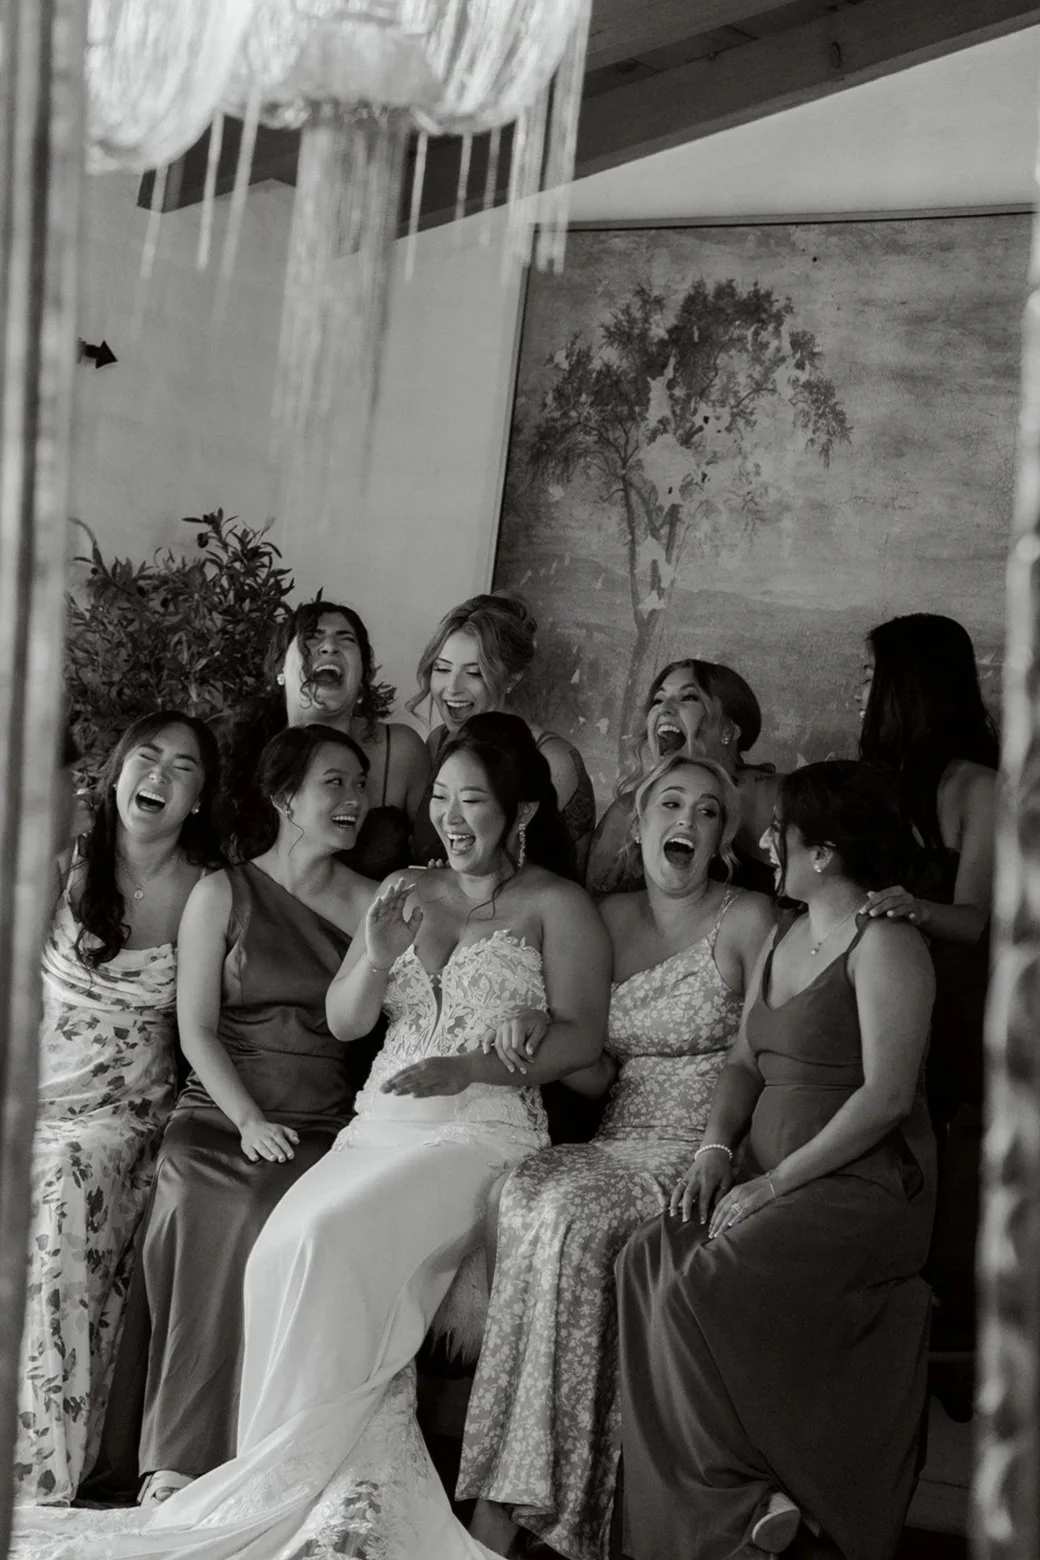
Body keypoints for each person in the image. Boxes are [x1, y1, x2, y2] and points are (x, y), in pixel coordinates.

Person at [13, 712, 611, 1560]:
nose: (449, 814)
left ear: (515, 813)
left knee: (324, 1235)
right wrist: (373, 953)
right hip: (379, 1121)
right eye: (439, 796)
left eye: (471, 799)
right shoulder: (405, 886)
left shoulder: (558, 903)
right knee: (280, 1244)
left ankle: (309, 1485)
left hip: (476, 1130)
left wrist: (483, 1065)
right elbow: (343, 1016)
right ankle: (255, 1476)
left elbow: (584, 1038)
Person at [615, 761, 937, 1560]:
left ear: (822, 852)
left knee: (711, 1275)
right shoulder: (785, 936)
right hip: (761, 1168)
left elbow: (889, 1097)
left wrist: (774, 1187)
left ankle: (739, 1511)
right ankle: (719, 1519)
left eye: (778, 829)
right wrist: (717, 1151)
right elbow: (742, 1062)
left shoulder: (887, 943)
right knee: (645, 1260)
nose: (765, 841)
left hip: (857, 1185)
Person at [459, 756, 774, 1560]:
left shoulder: (749, 921)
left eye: (708, 813)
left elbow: (753, 1059)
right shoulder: (603, 916)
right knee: (522, 1190)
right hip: (616, 1134)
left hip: (695, 1146)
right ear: (637, 825)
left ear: (722, 838)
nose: (689, 822)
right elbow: (596, 1064)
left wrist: (715, 1147)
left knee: (566, 1212)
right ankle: (509, 1486)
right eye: (672, 804)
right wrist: (539, 1027)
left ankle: (539, 1514)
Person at [84, 726, 382, 1506]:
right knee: (202, 1190)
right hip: (220, 1110)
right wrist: (246, 1119)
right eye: (335, 784)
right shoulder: (223, 890)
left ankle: (262, 1454)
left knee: (297, 1214)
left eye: (360, 783)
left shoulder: (373, 902)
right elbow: (196, 1030)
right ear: (286, 798)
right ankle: (175, 1459)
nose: (353, 799)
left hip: (323, 1120)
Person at [14, 712, 221, 1506]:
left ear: (199, 799)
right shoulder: (67, 855)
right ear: (117, 772)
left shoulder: (206, 888)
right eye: (147, 758)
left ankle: (37, 1480)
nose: (160, 777)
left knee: (63, 1181)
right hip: (32, 1097)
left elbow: (198, 1030)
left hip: (117, 1122)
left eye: (183, 768)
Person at [859, 611, 997, 1347]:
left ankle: (932, 1317)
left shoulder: (980, 786)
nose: (862, 691)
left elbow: (977, 921)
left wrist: (912, 908)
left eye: (872, 677)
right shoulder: (881, 784)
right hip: (880, 987)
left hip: (954, 1002)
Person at [216, 599, 429, 878]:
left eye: (346, 639)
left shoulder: (402, 750)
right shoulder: (235, 748)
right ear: (280, 670)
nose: (329, 647)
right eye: (312, 638)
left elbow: (434, 859)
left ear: (365, 672)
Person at [410, 594, 596, 873]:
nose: (452, 688)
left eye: (473, 673)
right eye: (442, 669)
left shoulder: (554, 761)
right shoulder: (438, 741)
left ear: (512, 677)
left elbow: (568, 880)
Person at [586, 658, 779, 897]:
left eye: (688, 697)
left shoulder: (778, 797)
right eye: (658, 700)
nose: (664, 708)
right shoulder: (629, 810)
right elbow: (594, 907)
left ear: (728, 729)